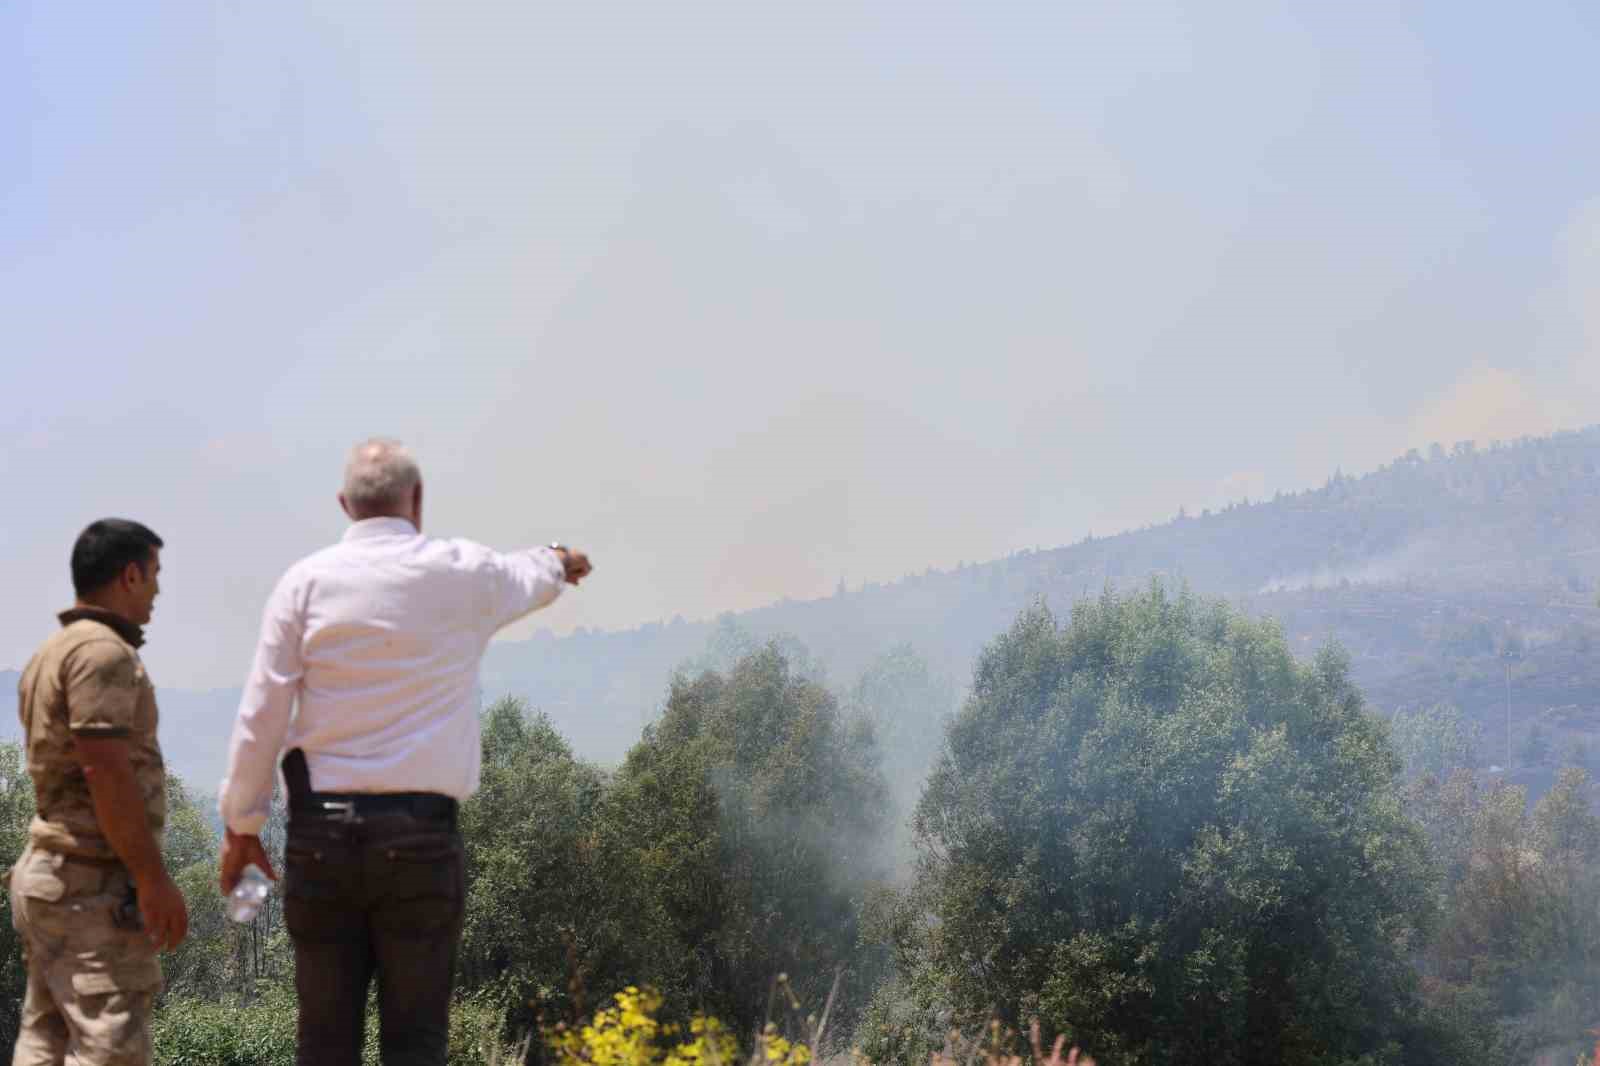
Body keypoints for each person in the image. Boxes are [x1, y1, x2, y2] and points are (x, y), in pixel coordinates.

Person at [217, 438, 592, 1066]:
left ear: (345, 504)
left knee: (325, 1043)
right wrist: (562, 556)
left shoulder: (303, 585)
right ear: (416, 500)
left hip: (320, 842)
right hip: (421, 843)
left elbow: (262, 716)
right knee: (416, 1043)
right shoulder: (462, 573)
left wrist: (242, 829)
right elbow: (535, 571)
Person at [10, 519, 189, 1066]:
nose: (158, 589)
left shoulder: (50, 652)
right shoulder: (103, 655)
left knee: (47, 1039)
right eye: (155, 574)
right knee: (112, 1048)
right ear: (129, 575)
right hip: (92, 888)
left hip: (50, 880)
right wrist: (152, 878)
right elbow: (104, 772)